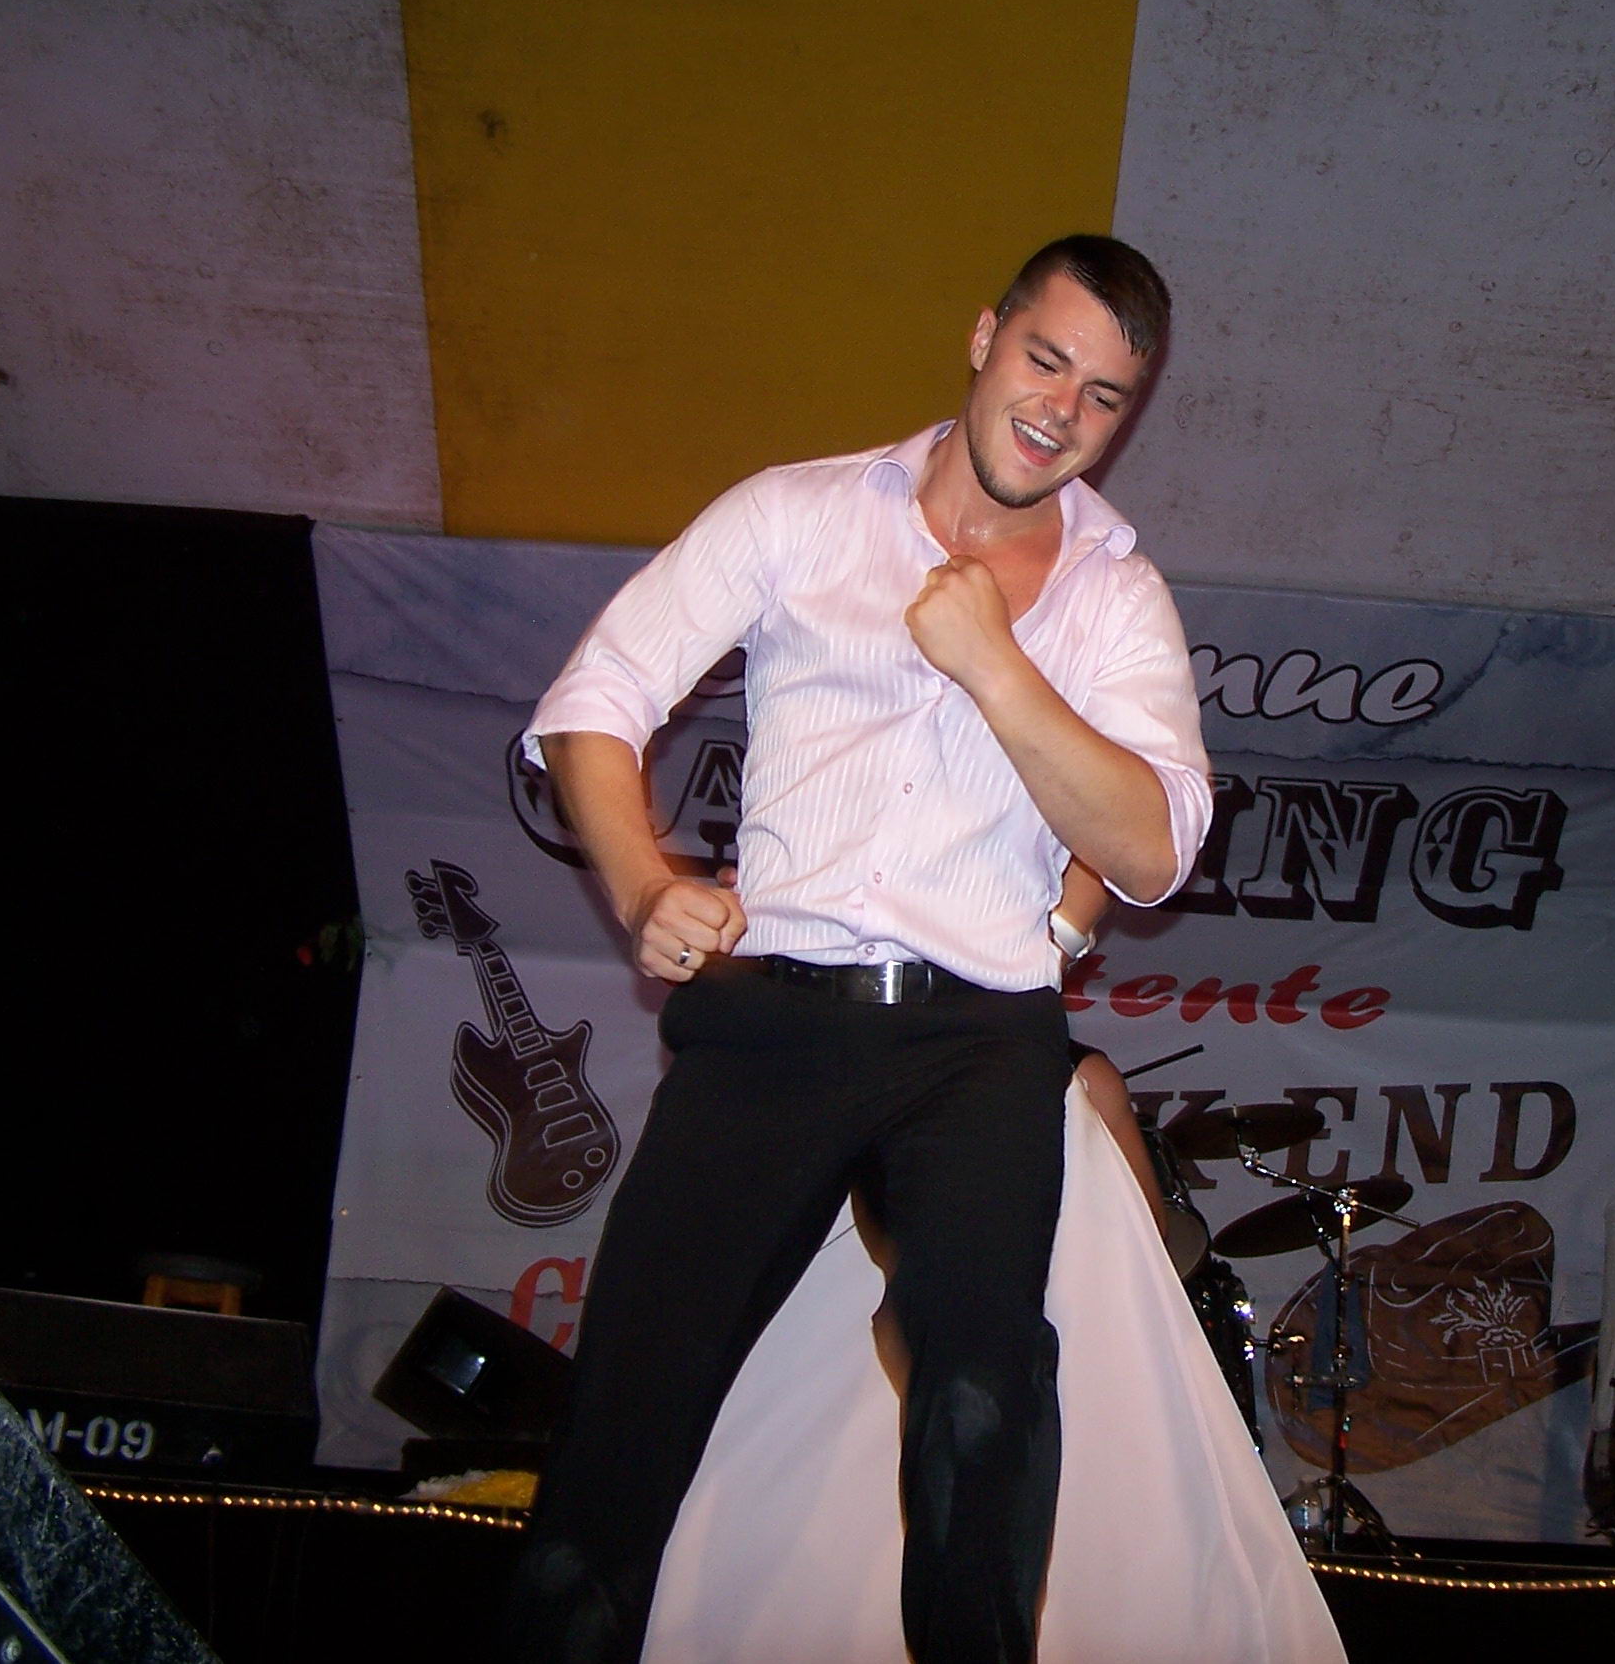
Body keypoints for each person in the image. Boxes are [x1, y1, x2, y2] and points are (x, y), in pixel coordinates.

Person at [502, 237, 1220, 1664]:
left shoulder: (1115, 594)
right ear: (984, 337)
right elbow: (597, 696)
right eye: (1046, 361)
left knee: (985, 1393)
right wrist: (645, 886)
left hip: (977, 1044)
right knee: (627, 1418)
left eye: (1104, 396)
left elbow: (1152, 849)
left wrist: (995, 661)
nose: (1062, 410)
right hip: (769, 1022)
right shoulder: (800, 511)